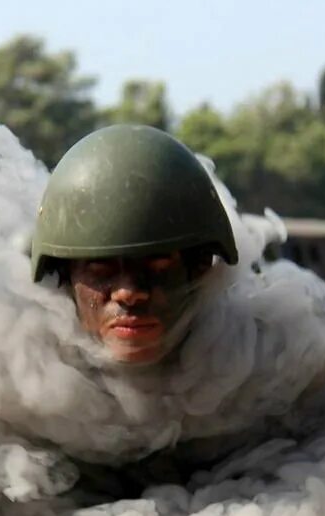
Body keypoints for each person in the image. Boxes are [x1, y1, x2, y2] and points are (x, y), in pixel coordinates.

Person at [29, 125, 238, 366]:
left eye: (157, 263)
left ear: (201, 267)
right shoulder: (14, 377)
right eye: (101, 267)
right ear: (63, 275)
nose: (129, 293)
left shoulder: (264, 374)